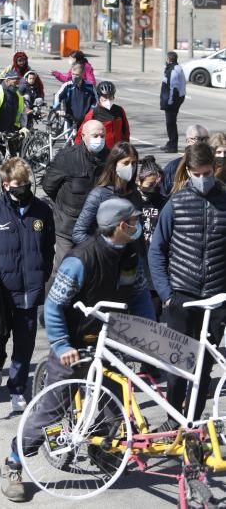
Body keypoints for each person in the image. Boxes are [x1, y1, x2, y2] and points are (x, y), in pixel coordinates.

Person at [0, 198, 154, 502]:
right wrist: (60, 344)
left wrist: (151, 337)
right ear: (121, 226)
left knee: (114, 410)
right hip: (72, 342)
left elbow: (138, 297)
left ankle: (102, 452)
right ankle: (13, 462)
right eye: (134, 222)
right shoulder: (81, 260)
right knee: (51, 411)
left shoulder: (130, 254)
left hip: (107, 342)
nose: (139, 227)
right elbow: (54, 306)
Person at [148, 142, 226, 429]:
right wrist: (167, 295)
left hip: (216, 300)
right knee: (178, 365)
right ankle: (173, 419)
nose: (202, 178)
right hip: (181, 295)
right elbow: (156, 250)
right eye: (196, 173)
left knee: (204, 365)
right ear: (188, 171)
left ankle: (192, 423)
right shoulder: (176, 203)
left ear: (214, 169)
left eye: (206, 172)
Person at [0, 158, 55, 413]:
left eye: (26, 184)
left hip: (29, 289)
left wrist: (43, 271)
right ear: (6, 185)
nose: (23, 189)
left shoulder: (42, 210)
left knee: (25, 342)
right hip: (1, 289)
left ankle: (17, 388)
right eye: (18, 185)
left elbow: (48, 245)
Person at [42, 120, 108, 270]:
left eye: (102, 136)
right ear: (83, 136)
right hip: (68, 227)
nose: (99, 139)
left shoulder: (109, 159)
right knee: (64, 270)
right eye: (95, 135)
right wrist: (66, 206)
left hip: (96, 229)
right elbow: (48, 186)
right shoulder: (67, 157)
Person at [72, 141, 142, 244]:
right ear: (114, 165)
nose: (130, 167)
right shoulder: (99, 194)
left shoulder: (135, 194)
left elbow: (137, 230)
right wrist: (103, 250)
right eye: (126, 163)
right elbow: (78, 233)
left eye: (133, 163)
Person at [137, 155, 166, 319]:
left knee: (155, 315)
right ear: (138, 183)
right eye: (149, 185)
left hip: (156, 270)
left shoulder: (165, 203)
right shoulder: (134, 203)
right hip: (139, 266)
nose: (154, 189)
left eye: (157, 185)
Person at [75, 80, 130, 149]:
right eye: (105, 97)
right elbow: (81, 134)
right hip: (100, 151)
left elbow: (126, 131)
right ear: (99, 97)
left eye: (110, 97)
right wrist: (77, 150)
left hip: (117, 151)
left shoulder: (119, 110)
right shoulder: (93, 113)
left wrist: (126, 147)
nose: (108, 100)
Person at [161, 124, 209, 196]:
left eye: (205, 139)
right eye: (197, 139)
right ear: (188, 141)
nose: (201, 142)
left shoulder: (215, 165)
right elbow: (164, 194)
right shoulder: (173, 167)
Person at [53, 61, 97, 130]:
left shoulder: (90, 86)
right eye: (73, 74)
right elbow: (57, 97)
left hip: (86, 121)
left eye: (77, 75)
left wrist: (92, 111)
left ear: (82, 74)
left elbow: (95, 101)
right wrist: (58, 109)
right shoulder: (67, 86)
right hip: (70, 120)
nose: (74, 77)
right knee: (70, 140)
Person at [160, 51, 186, 153]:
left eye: (166, 59)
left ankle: (173, 146)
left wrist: (170, 102)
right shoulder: (177, 67)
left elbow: (173, 87)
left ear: (169, 59)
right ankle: (170, 142)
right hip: (177, 98)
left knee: (170, 123)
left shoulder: (173, 70)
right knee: (171, 123)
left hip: (173, 100)